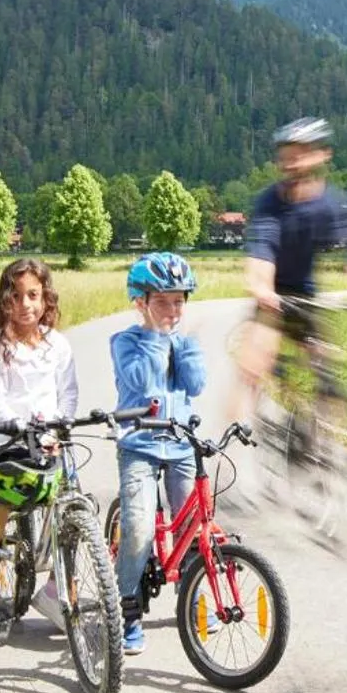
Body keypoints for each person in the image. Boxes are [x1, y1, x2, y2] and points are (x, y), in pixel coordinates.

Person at [0, 258, 79, 657]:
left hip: (49, 442)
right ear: (4, 300)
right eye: (17, 295)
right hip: (7, 443)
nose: (26, 304)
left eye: (34, 295)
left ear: (46, 299)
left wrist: (59, 427)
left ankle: (54, 592)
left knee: (75, 514)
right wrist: (17, 424)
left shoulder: (57, 344)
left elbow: (68, 392)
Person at [231, 117, 347, 424]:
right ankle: (230, 439)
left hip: (305, 297)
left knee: (328, 367)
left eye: (300, 153)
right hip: (273, 297)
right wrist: (262, 289)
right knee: (254, 360)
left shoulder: (332, 204)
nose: (292, 162)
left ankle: (324, 444)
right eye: (286, 156)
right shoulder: (270, 204)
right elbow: (261, 253)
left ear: (321, 154)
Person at [110, 252, 207, 656]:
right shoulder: (125, 342)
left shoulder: (183, 341)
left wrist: (183, 347)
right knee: (139, 531)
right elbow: (143, 382)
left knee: (191, 530)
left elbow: (197, 385)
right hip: (140, 447)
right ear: (141, 302)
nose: (172, 310)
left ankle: (191, 600)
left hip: (180, 445)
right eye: (162, 301)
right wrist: (154, 336)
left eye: (178, 301)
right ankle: (127, 608)